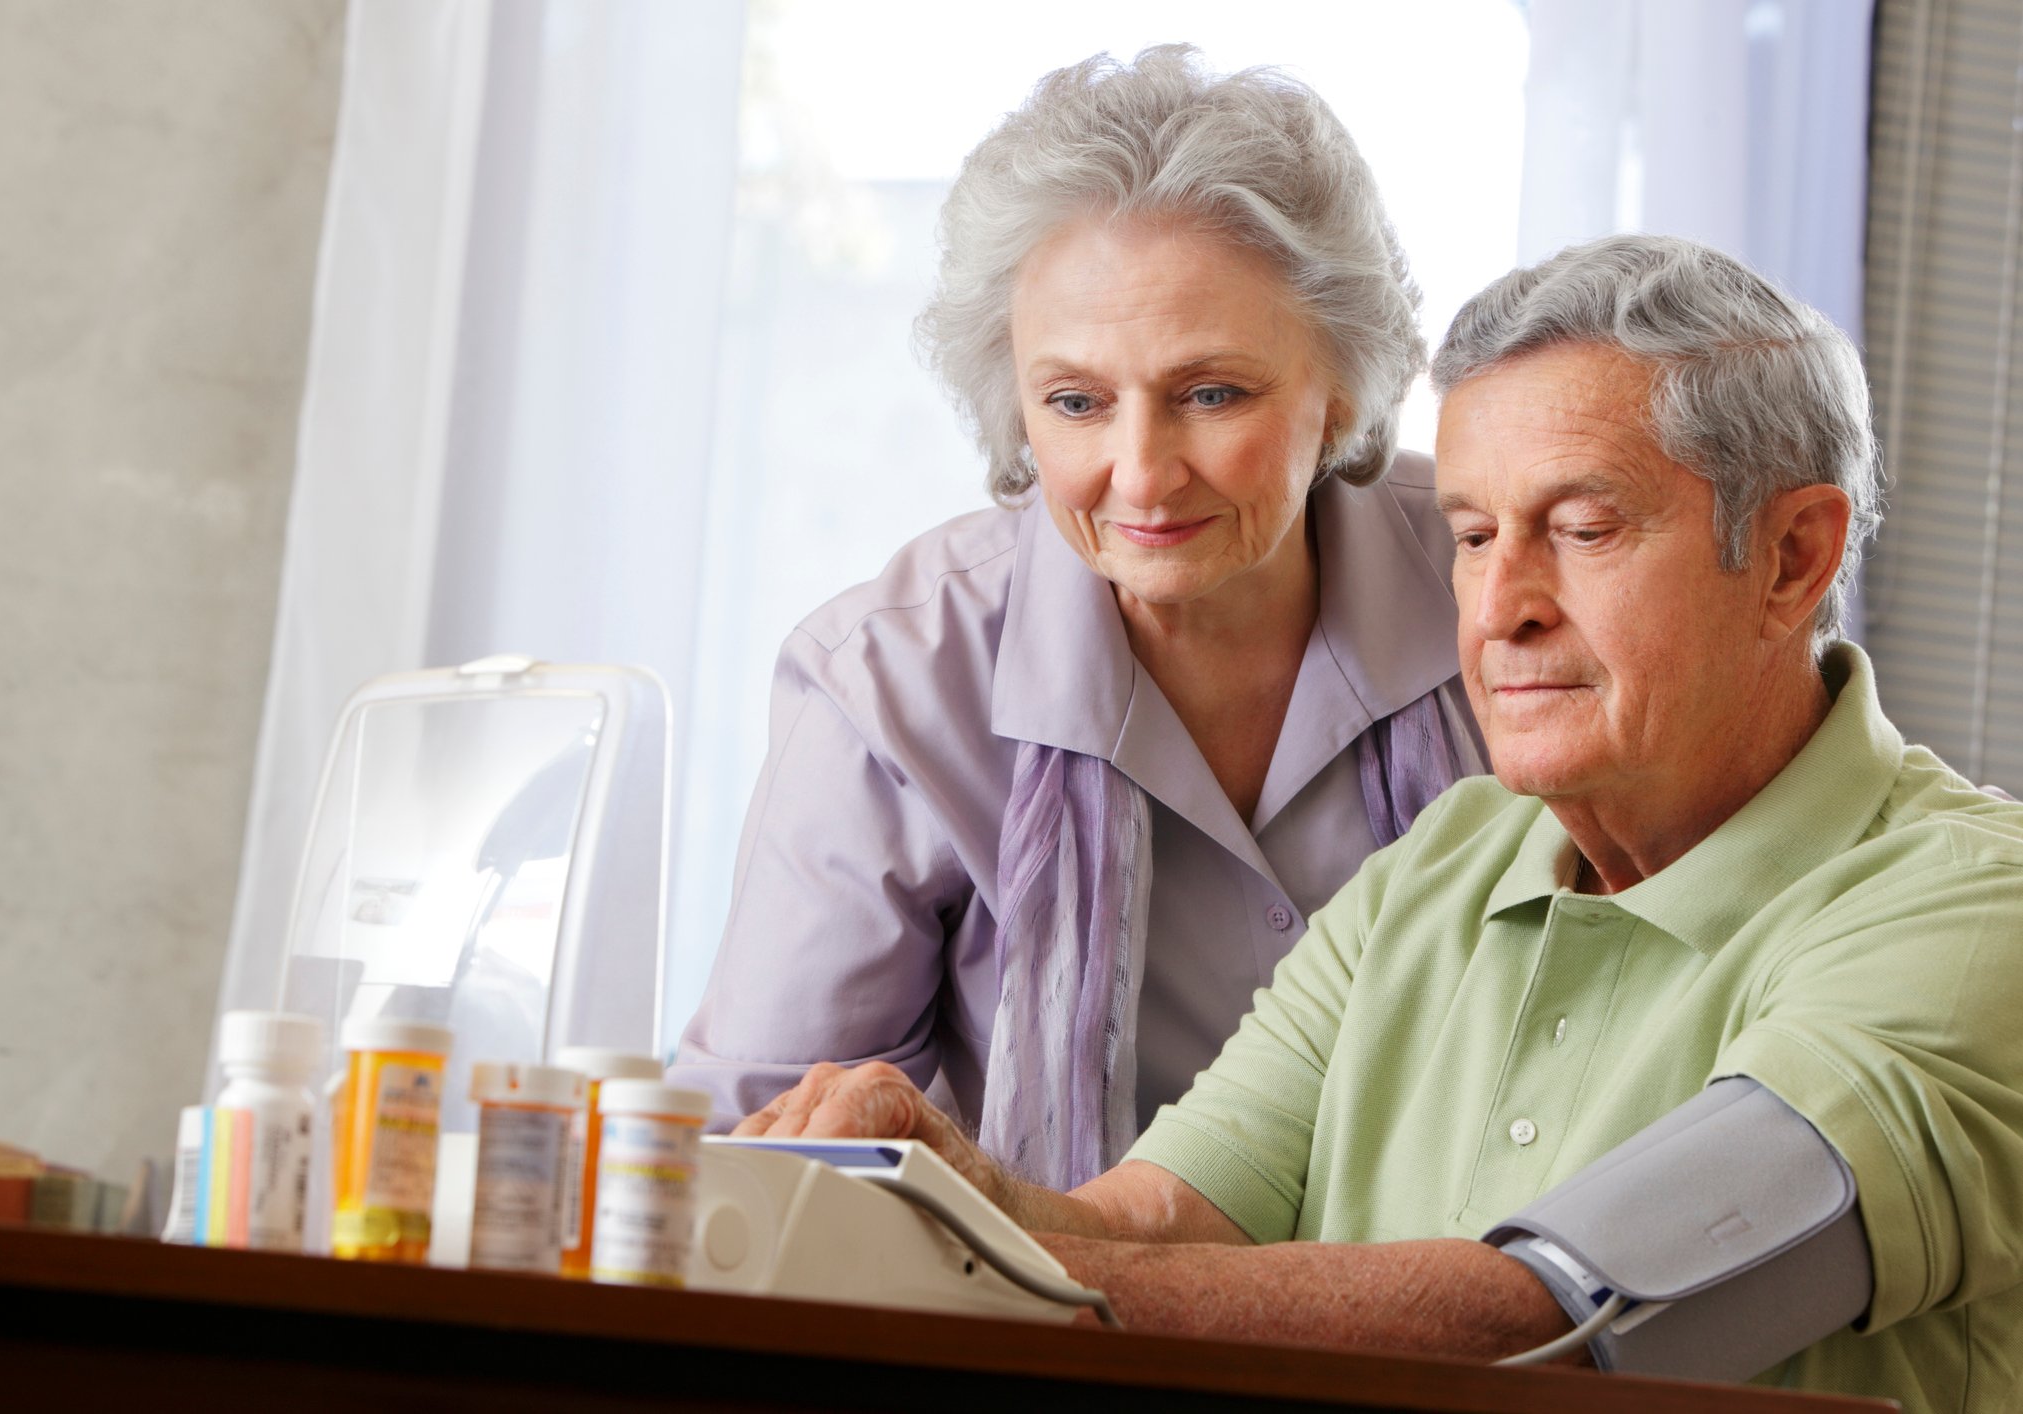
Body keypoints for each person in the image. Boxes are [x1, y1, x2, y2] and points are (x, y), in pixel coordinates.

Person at [732, 234, 2023, 1409]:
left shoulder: (1976, 917)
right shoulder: (1448, 857)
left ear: (1794, 559)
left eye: (1580, 528)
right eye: (1470, 535)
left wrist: (956, 1265)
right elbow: (1156, 1224)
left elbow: (1553, 1319)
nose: (1500, 606)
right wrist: (934, 1172)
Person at [670, 46, 1482, 1187]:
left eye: (1212, 394)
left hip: (1458, 1340)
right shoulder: (891, 682)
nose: (1141, 475)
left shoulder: (1500, 580)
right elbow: (765, 1161)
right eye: (1077, 402)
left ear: (1343, 382)